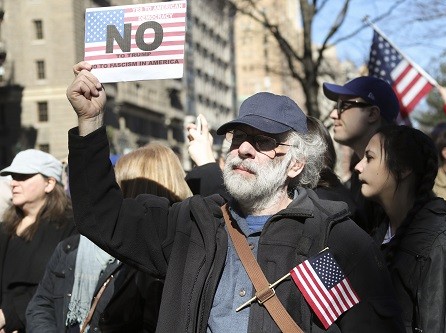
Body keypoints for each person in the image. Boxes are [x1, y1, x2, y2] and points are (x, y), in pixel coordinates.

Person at [65, 61, 404, 332]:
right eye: (239, 136)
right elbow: (99, 215)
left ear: (295, 164)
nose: (243, 148)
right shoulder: (192, 224)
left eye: (264, 141)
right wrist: (91, 121)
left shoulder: (334, 240)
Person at [27, 142, 190, 332]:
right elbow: (41, 304)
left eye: (118, 182)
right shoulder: (72, 246)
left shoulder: (170, 255)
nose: (114, 192)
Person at [354, 125, 446, 332]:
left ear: (404, 168)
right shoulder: (379, 232)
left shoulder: (442, 250)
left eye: (369, 157)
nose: (358, 167)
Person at [0, 149, 76, 333]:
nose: (14, 182)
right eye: (13, 176)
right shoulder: (4, 228)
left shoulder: (70, 227)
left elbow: (62, 285)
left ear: (49, 183)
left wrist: (9, 316)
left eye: (23, 176)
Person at [323, 76, 399, 233]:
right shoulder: (359, 179)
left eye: (343, 105)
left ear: (372, 114)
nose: (333, 114)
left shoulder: (393, 178)